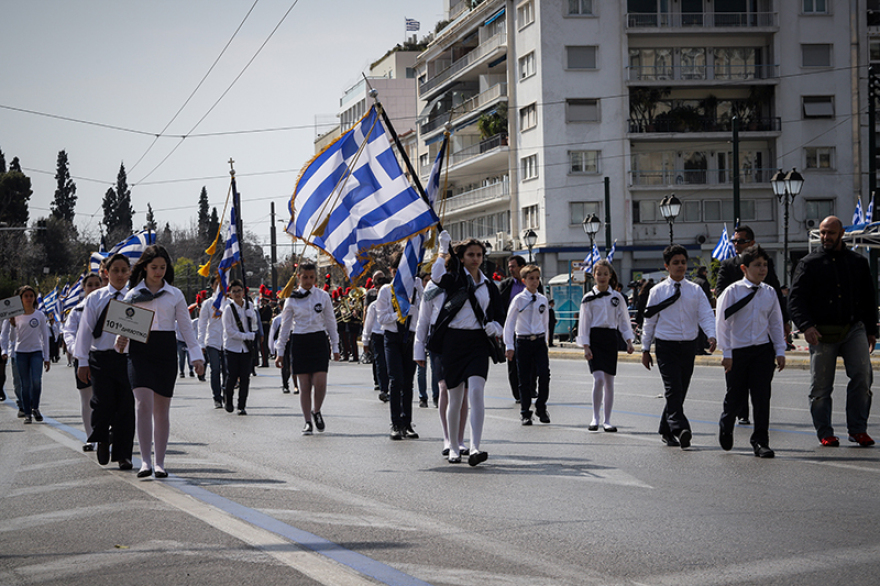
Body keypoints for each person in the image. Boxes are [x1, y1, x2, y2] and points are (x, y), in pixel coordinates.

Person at [789, 216, 878, 447]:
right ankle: (825, 432)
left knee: (863, 377)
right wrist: (806, 326)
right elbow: (795, 299)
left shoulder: (858, 262)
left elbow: (869, 298)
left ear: (841, 234)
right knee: (820, 386)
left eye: (830, 233)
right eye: (822, 233)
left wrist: (871, 330)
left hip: (854, 328)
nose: (826, 237)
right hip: (821, 332)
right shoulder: (809, 263)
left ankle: (858, 429)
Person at [118, 245, 205, 479]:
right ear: (145, 267)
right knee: (142, 404)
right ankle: (145, 461)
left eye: (163, 267)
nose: (158, 272)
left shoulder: (174, 294)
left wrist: (196, 356)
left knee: (161, 409)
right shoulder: (132, 295)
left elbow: (186, 328)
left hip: (166, 350)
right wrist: (120, 339)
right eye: (154, 267)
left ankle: (160, 462)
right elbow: (122, 327)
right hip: (140, 351)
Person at [431, 233, 504, 465]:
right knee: (455, 397)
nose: (475, 258)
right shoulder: (453, 279)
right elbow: (435, 277)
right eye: (471, 254)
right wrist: (443, 249)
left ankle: (475, 447)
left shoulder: (489, 285)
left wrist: (496, 326)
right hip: (453, 342)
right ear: (461, 258)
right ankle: (453, 446)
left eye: (479, 255)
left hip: (478, 343)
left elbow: (500, 315)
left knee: (476, 392)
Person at [641, 245, 716, 449]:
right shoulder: (657, 291)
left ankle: (665, 429)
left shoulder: (695, 290)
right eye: (675, 263)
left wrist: (711, 335)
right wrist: (645, 349)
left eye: (683, 262)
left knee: (680, 391)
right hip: (666, 346)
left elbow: (706, 314)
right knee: (673, 389)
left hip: (688, 346)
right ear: (667, 266)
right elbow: (650, 321)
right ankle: (681, 428)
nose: (680, 266)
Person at [715, 245, 786, 458]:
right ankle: (726, 424)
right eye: (757, 265)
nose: (762, 269)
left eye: (765, 265)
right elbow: (722, 324)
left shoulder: (770, 292)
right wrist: (726, 353)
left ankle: (760, 441)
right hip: (738, 352)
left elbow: (775, 322)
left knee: (762, 397)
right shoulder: (732, 291)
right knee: (735, 397)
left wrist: (780, 350)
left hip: (762, 352)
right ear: (744, 268)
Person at [74, 254, 136, 470]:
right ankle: (101, 438)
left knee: (126, 407)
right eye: (115, 270)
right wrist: (82, 361)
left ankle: (123, 455)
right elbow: (84, 332)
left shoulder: (135, 297)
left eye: (124, 270)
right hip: (101, 358)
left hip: (127, 359)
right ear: (106, 273)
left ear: (129, 272)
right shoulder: (95, 298)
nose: (120, 275)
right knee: (103, 404)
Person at [274, 263, 341, 435]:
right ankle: (307, 421)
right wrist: (279, 352)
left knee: (320, 382)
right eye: (305, 277)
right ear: (298, 277)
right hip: (300, 341)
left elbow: (331, 322)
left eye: (312, 277)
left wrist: (335, 346)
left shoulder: (323, 296)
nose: (308, 281)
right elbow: (285, 326)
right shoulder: (291, 298)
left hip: (318, 339)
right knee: (304, 386)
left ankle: (316, 410)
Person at [415, 272, 469, 458]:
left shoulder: (466, 280)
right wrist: (419, 348)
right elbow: (423, 318)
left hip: (463, 338)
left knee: (463, 391)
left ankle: (460, 440)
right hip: (439, 337)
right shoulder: (433, 286)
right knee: (444, 387)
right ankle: (448, 438)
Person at [577, 259, 634, 432]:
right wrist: (585, 345)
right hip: (594, 338)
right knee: (599, 378)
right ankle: (595, 417)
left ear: (610, 276)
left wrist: (629, 340)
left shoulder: (617, 297)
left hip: (610, 338)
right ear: (593, 276)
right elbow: (584, 323)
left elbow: (624, 320)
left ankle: (607, 420)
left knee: (609, 381)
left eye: (605, 274)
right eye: (598, 273)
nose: (602, 277)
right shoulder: (588, 298)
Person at [374, 253, 422, 440]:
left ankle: (407, 422)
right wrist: (400, 314)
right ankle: (395, 423)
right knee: (396, 379)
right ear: (392, 271)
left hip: (410, 337)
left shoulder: (416, 288)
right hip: (392, 337)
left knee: (408, 382)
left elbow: (424, 311)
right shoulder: (386, 290)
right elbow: (382, 319)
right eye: (396, 271)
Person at [503, 264, 552, 426]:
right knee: (523, 378)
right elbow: (509, 323)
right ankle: (525, 412)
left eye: (537, 278)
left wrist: (546, 342)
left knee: (544, 375)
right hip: (523, 341)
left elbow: (545, 322)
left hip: (538, 341)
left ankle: (541, 406)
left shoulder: (542, 299)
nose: (535, 282)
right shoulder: (519, 299)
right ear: (524, 280)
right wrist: (509, 345)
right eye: (531, 278)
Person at [62, 273, 103, 451]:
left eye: (97, 284)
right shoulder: (77, 311)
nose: (93, 288)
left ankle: (106, 433)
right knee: (87, 400)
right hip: (83, 359)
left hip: (104, 358)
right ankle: (90, 437)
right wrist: (76, 350)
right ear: (84, 288)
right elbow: (68, 333)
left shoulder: (110, 306)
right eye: (90, 285)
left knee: (106, 399)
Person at [1, 286, 50, 424]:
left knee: (36, 381)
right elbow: (5, 335)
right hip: (20, 352)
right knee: (25, 384)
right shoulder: (13, 315)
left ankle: (35, 408)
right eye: (26, 296)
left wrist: (47, 357)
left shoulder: (39, 315)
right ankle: (27, 412)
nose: (29, 298)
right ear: (20, 299)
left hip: (36, 352)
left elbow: (45, 337)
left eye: (31, 296)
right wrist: (4, 351)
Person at [222, 279, 259, 415]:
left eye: (239, 291)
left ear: (243, 291)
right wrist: (246, 336)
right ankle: (229, 400)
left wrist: (252, 317)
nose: (237, 294)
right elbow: (229, 331)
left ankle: (242, 405)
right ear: (230, 294)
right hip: (232, 347)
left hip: (246, 348)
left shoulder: (249, 306)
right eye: (234, 291)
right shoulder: (228, 309)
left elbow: (254, 327)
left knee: (245, 377)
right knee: (232, 376)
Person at [498, 255, 528, 402]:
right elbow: (499, 307)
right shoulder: (505, 285)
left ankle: (529, 389)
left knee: (531, 362)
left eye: (513, 266)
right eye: (509, 267)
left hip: (528, 329)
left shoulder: (532, 283)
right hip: (511, 329)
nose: (511, 269)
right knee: (513, 362)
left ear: (522, 267)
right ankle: (518, 394)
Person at [198, 276, 227, 409]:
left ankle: (227, 394)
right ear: (212, 286)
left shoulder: (229, 302)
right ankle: (217, 397)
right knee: (215, 369)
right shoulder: (207, 304)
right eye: (217, 284)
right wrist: (201, 344)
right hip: (212, 341)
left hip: (227, 342)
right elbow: (202, 324)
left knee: (227, 370)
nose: (219, 287)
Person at [362, 273, 390, 402]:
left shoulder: (392, 303)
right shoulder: (373, 305)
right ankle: (383, 388)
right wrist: (365, 341)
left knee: (390, 362)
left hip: (389, 334)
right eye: (377, 289)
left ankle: (391, 386)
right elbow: (368, 323)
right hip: (377, 336)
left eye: (381, 288)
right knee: (380, 362)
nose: (379, 292)